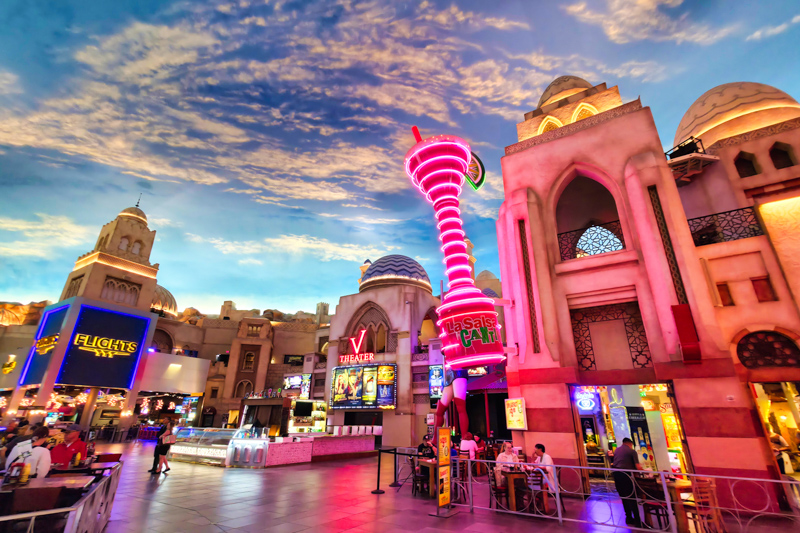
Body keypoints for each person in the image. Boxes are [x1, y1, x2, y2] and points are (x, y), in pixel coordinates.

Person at [611, 438, 644, 527]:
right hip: (626, 475)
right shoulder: (632, 451)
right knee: (632, 497)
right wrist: (646, 471)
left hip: (616, 474)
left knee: (624, 497)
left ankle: (628, 517)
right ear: (630, 444)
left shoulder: (617, 450)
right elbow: (637, 466)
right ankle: (637, 520)